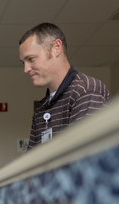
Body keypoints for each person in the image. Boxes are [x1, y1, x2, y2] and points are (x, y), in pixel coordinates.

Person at [19, 23, 110, 151]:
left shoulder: (86, 91)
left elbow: (84, 157)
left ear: (56, 47)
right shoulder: (41, 109)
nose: (26, 69)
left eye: (31, 59)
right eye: (24, 62)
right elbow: (32, 163)